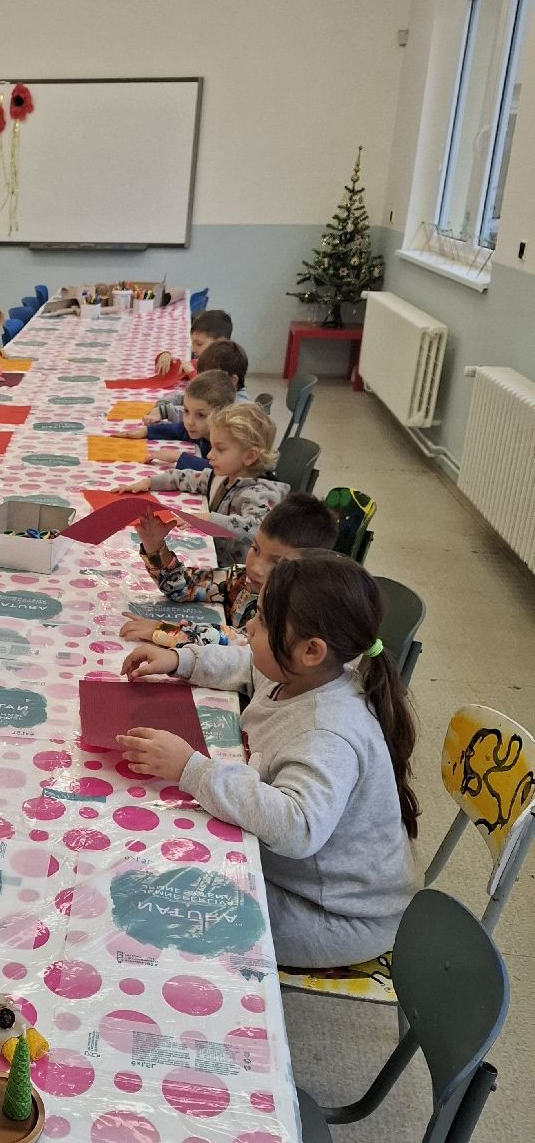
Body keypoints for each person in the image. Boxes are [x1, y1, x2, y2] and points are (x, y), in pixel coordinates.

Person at [118, 553, 420, 969]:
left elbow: (297, 826)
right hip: (301, 879)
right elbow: (249, 664)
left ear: (311, 650)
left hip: (337, 915)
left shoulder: (327, 733)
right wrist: (182, 660)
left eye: (261, 619)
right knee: (178, 862)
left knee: (179, 908)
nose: (249, 628)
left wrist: (192, 769)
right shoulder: (301, 673)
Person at [121, 491, 337, 647]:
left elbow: (245, 642)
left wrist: (165, 631)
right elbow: (184, 588)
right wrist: (155, 547)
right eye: (255, 549)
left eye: (277, 563)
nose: (257, 568)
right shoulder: (241, 578)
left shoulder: (290, 612)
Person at [125, 402, 288, 569]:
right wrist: (150, 482)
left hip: (235, 574)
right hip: (213, 555)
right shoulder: (225, 475)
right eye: (211, 447)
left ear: (249, 456)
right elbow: (187, 478)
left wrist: (209, 519)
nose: (209, 455)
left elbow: (256, 528)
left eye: (220, 449)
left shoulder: (260, 493)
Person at [143, 369, 236, 471]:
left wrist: (178, 457)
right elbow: (180, 430)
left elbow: (220, 470)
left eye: (200, 415)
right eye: (186, 411)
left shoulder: (230, 442)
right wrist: (147, 431)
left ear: (222, 415)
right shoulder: (204, 431)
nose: (189, 422)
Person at [148, 339, 250, 426]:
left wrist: (166, 411)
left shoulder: (237, 409)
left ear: (232, 381)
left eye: (209, 381)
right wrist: (164, 403)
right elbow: (188, 397)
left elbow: (205, 418)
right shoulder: (217, 391)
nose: (204, 386)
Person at [155, 307, 235, 378]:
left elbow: (209, 388)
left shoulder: (226, 368)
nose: (193, 350)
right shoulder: (202, 361)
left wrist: (191, 373)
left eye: (199, 344)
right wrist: (165, 356)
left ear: (220, 343)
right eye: (192, 343)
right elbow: (181, 367)